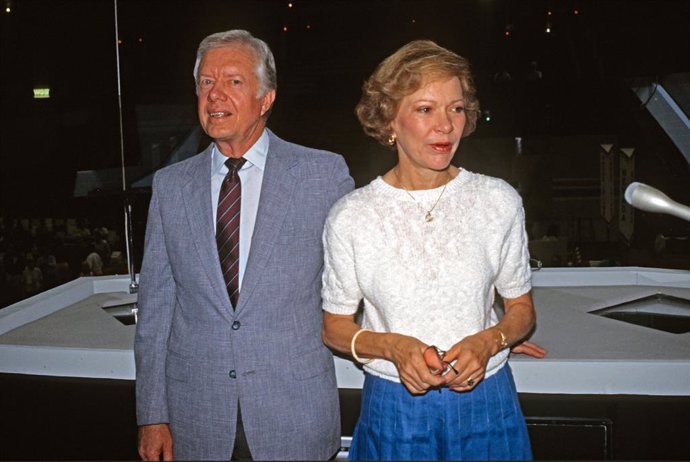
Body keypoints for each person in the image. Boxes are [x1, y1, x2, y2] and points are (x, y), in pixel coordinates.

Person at [321, 40, 547, 460]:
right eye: (426, 109)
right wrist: (393, 347)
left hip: (488, 403)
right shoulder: (351, 216)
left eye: (456, 108)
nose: (446, 125)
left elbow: (521, 309)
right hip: (393, 408)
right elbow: (334, 326)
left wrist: (490, 341)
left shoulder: (497, 200)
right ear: (389, 119)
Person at [135, 29, 354, 461]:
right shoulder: (170, 186)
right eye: (206, 83)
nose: (215, 95)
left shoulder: (322, 176)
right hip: (195, 420)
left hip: (294, 416)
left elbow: (366, 276)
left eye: (233, 81)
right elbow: (157, 308)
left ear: (266, 98)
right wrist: (151, 415)